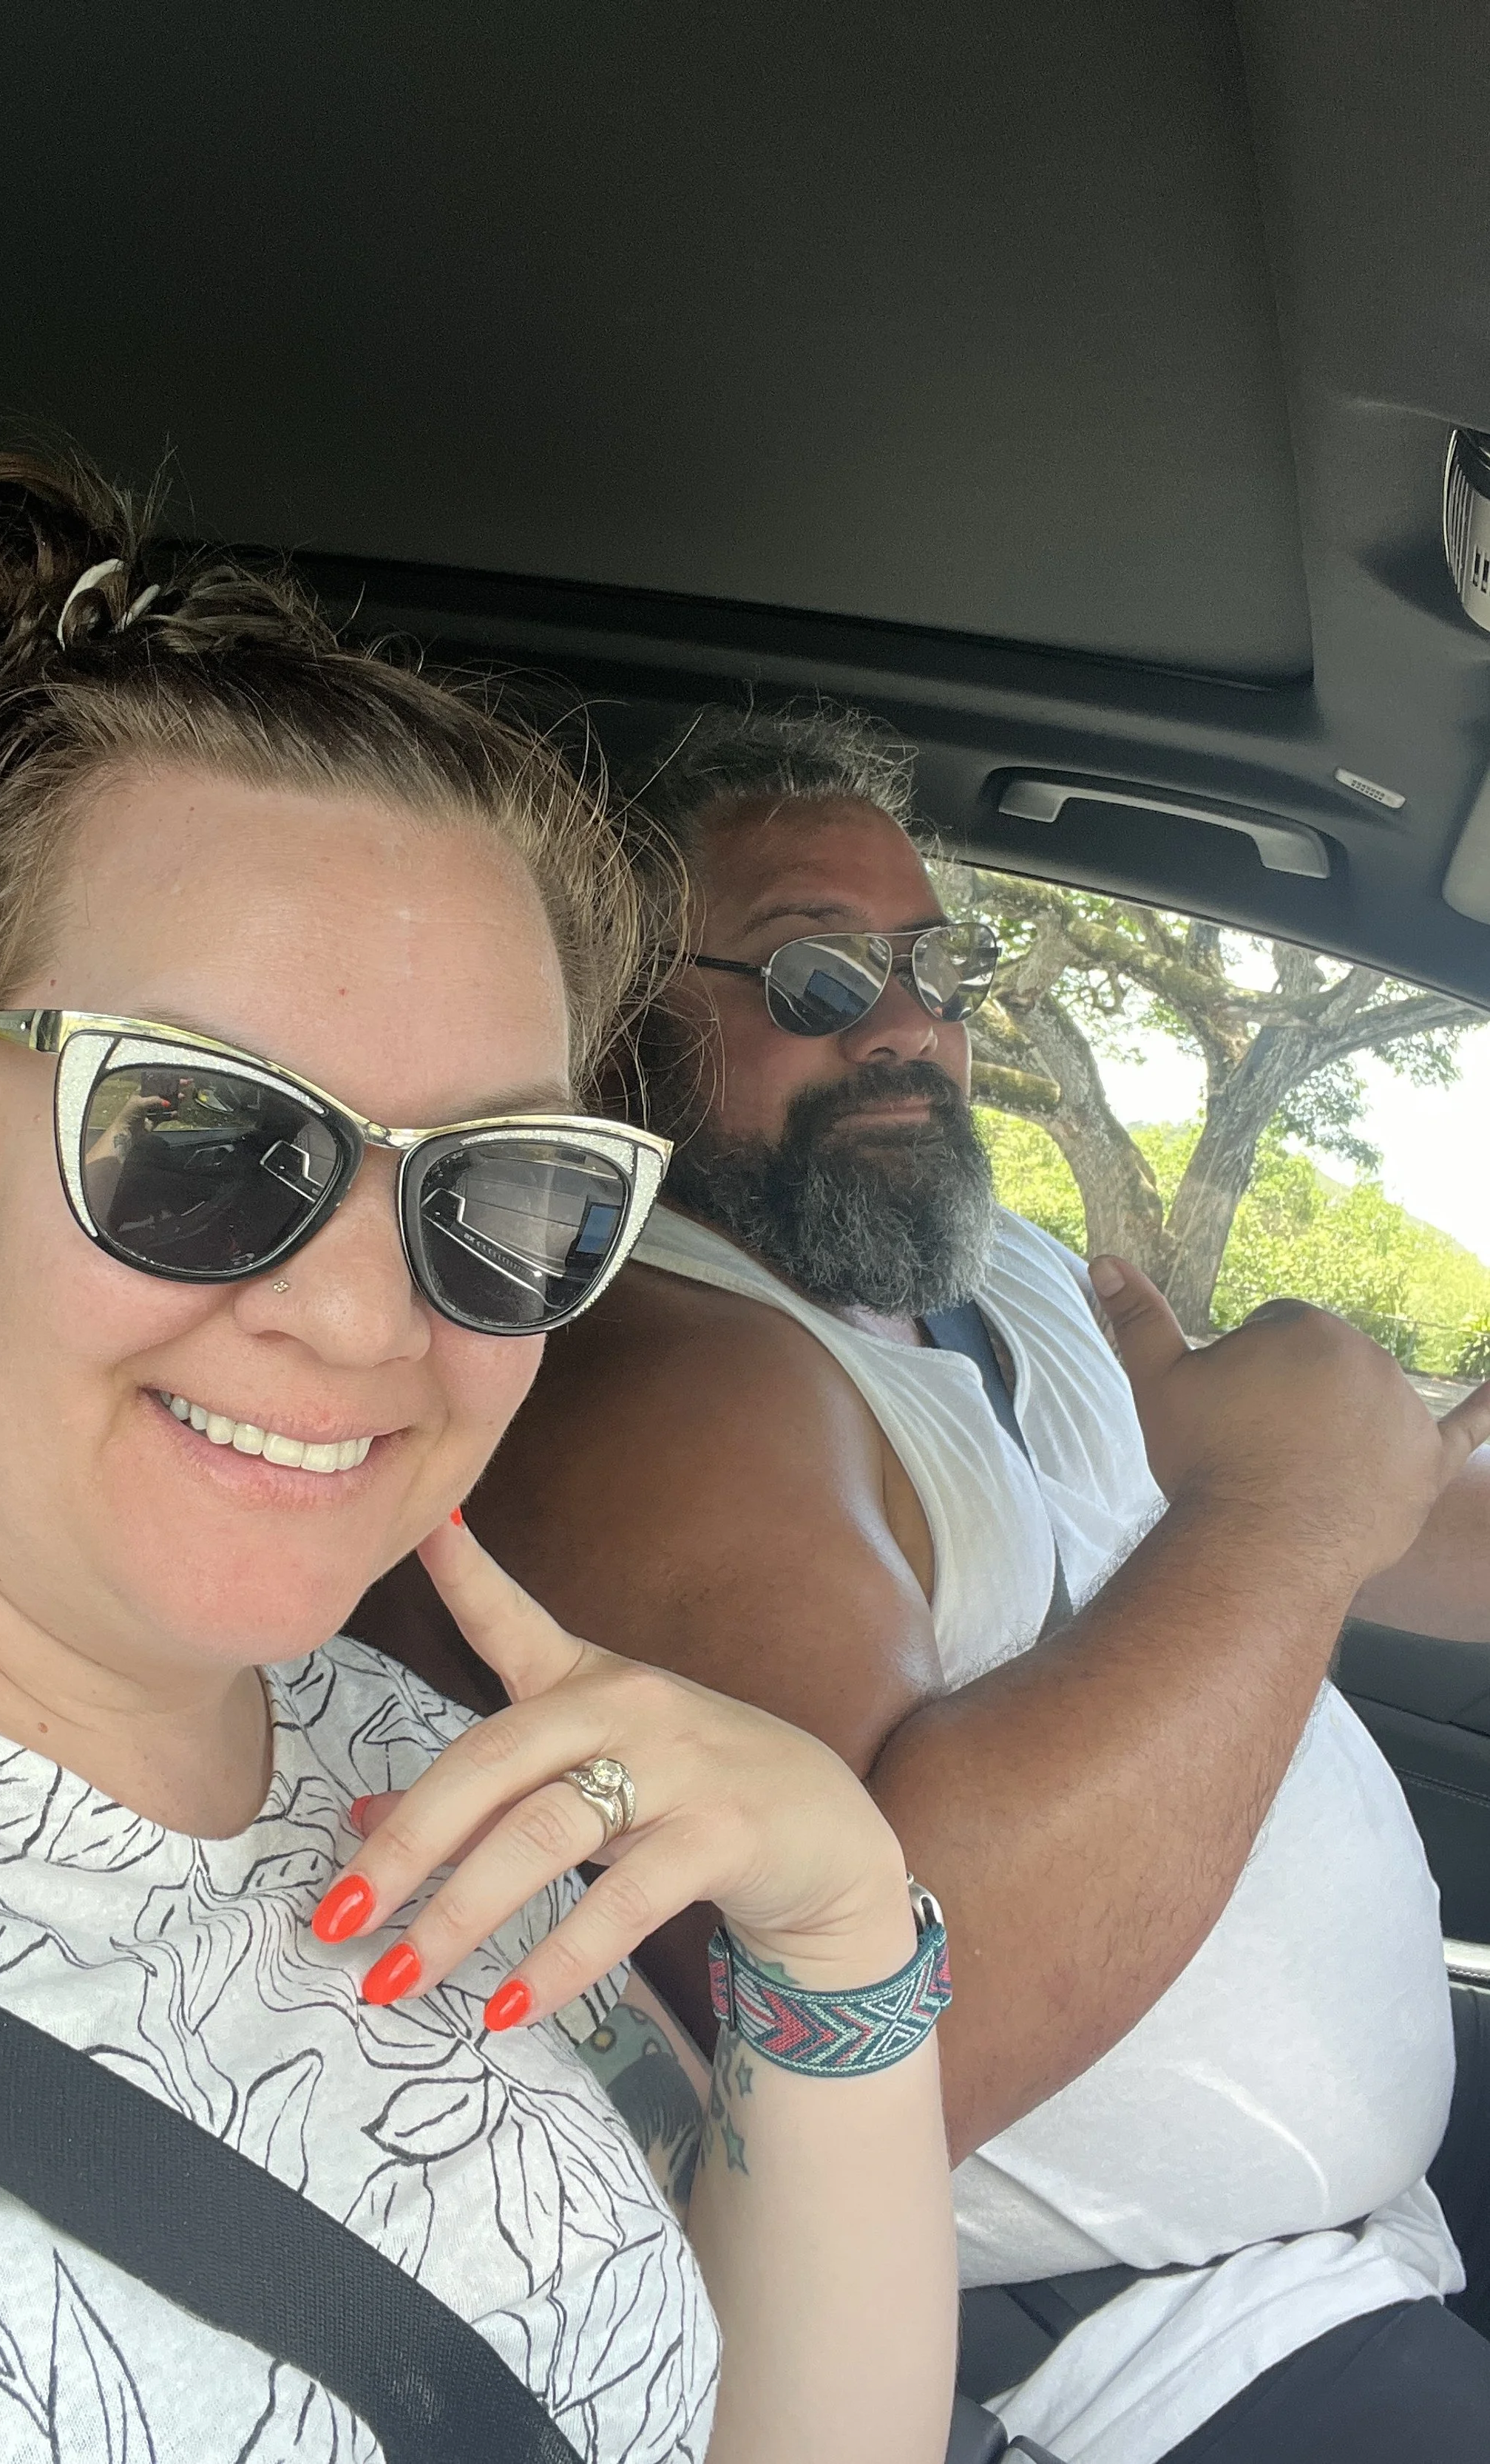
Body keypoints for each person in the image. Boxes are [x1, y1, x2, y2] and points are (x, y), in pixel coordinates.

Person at [0, 460, 964, 2464]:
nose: (365, 1321)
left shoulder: (436, 1780)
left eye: (500, 1187)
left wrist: (838, 1929)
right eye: (193, 1133)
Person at [353, 703, 1490, 2464]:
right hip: (1124, 2379)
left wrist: (1321, 1489)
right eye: (813, 979)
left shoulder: (992, 1267)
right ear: (613, 1009)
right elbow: (873, 2058)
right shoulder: (677, 1384)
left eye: (929, 971)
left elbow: (1356, 1510)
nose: (909, 1034)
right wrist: (1276, 1507)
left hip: (1336, 2273)